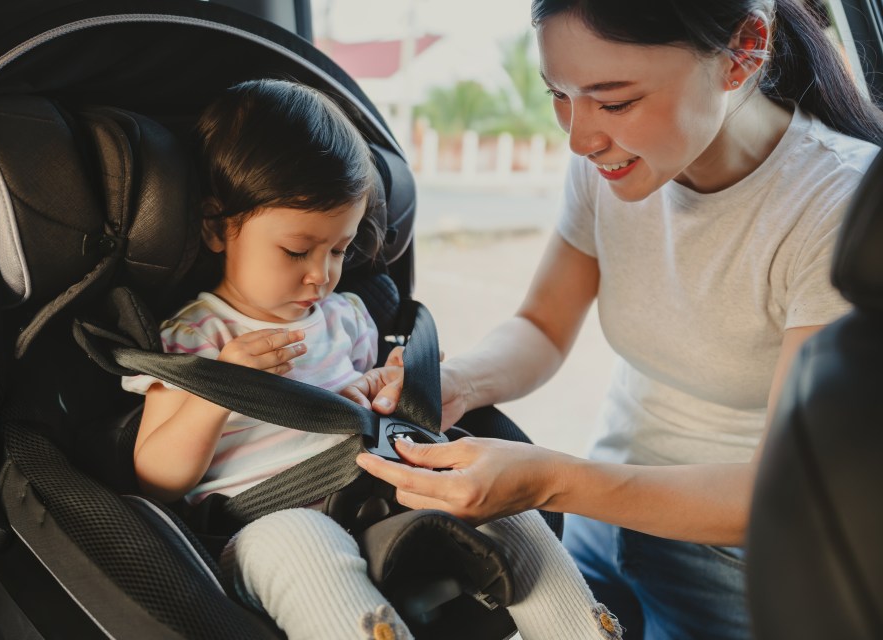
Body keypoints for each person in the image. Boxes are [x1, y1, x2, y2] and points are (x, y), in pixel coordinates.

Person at [348, 2, 883, 639]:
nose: (578, 137)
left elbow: (774, 491)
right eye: (559, 95)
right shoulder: (610, 165)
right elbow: (542, 327)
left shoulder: (837, 209)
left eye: (615, 101)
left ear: (744, 51)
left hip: (738, 561)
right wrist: (455, 380)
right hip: (602, 520)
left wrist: (548, 480)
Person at [122, 79, 621, 640]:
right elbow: (157, 477)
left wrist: (387, 388)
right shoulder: (196, 336)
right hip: (269, 522)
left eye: (340, 249)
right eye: (297, 250)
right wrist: (216, 393)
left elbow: (376, 397)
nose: (322, 274)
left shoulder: (349, 316)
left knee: (508, 507)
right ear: (218, 226)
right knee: (305, 546)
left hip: (382, 495)